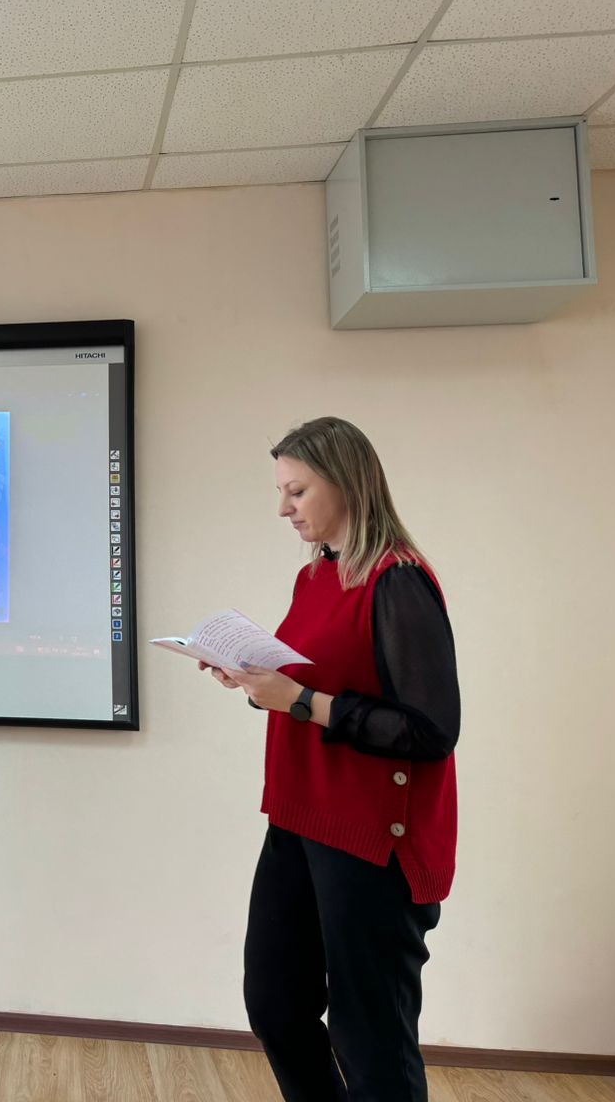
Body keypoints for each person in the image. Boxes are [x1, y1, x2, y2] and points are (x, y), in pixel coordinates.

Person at [203, 417, 459, 1101]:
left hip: (372, 837)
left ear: (347, 484)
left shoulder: (398, 582)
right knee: (276, 1007)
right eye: (281, 492)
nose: (283, 509)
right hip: (298, 818)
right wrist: (257, 683)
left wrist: (297, 700)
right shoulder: (315, 576)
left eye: (297, 491)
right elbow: (314, 686)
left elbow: (431, 730)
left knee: (370, 1040)